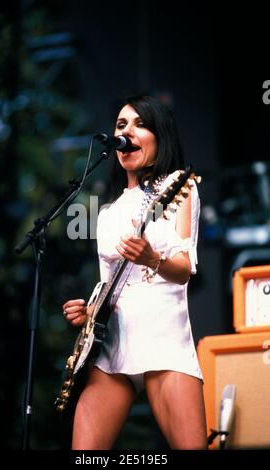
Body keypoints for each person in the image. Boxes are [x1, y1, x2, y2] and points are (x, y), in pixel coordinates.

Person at [62, 95, 207, 450]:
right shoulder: (109, 213)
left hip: (164, 339)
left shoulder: (178, 186)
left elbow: (185, 268)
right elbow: (109, 285)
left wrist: (151, 257)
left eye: (140, 124)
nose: (127, 132)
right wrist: (87, 312)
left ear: (160, 136)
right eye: (121, 125)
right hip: (113, 348)